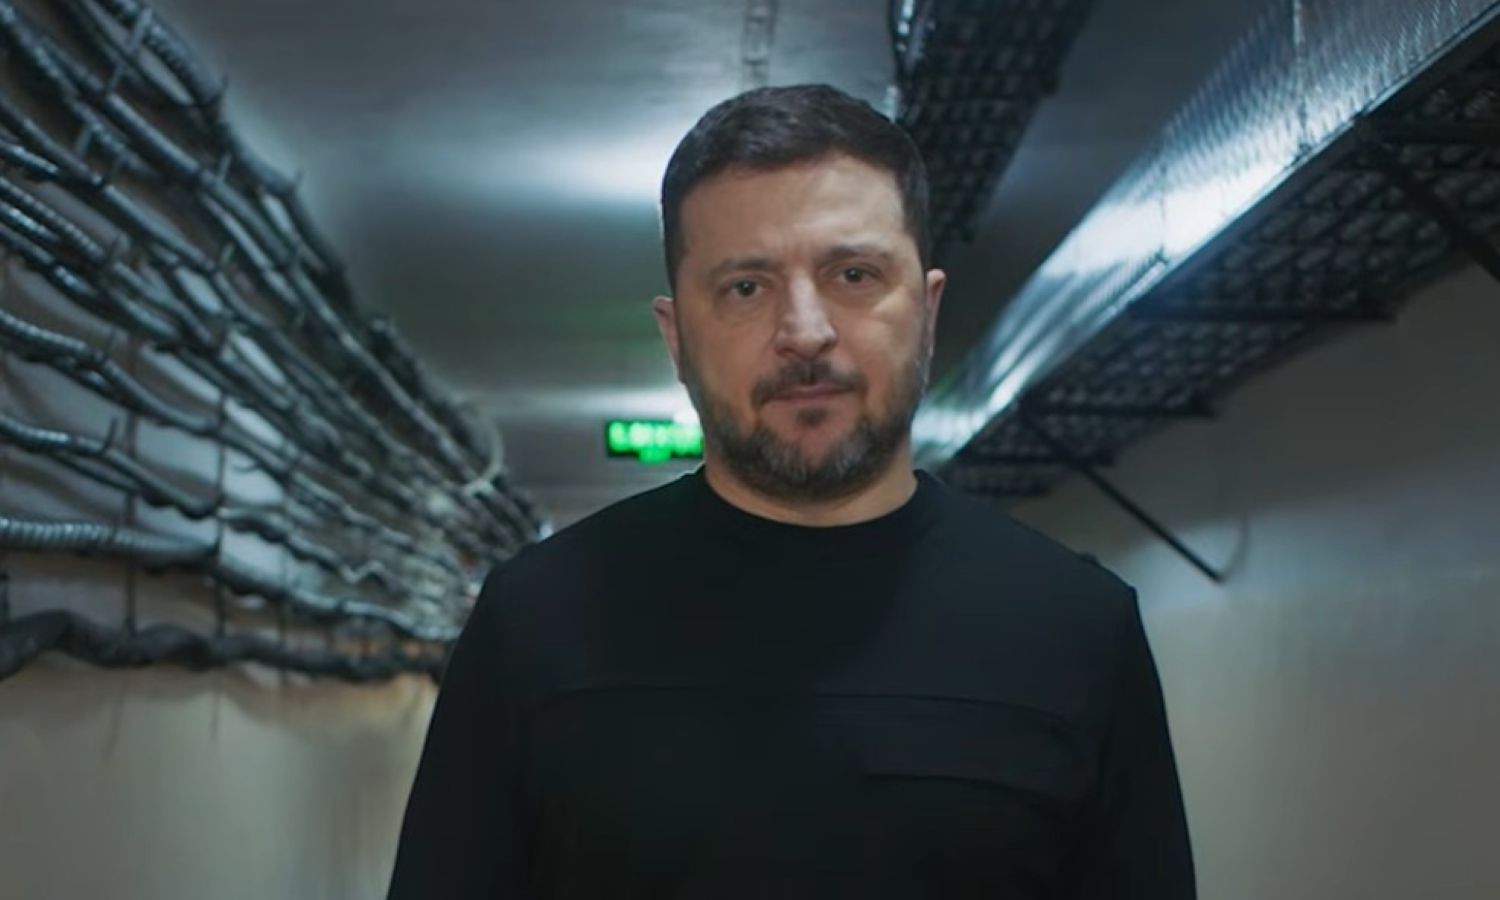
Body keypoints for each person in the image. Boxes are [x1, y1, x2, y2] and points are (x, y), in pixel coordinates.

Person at [387, 83, 1195, 899]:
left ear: (927, 309)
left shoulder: (1078, 629)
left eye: (854, 274)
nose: (805, 331)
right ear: (677, 335)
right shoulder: (534, 623)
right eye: (746, 287)